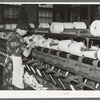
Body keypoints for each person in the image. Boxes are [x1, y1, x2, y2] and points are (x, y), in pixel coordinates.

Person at [2, 20, 36, 90]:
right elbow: (26, 54)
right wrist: (31, 47)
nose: (26, 32)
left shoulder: (12, 35)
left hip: (9, 62)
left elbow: (15, 48)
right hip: (15, 64)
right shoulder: (20, 38)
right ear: (22, 29)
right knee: (15, 84)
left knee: (8, 81)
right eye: (26, 30)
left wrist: (26, 46)